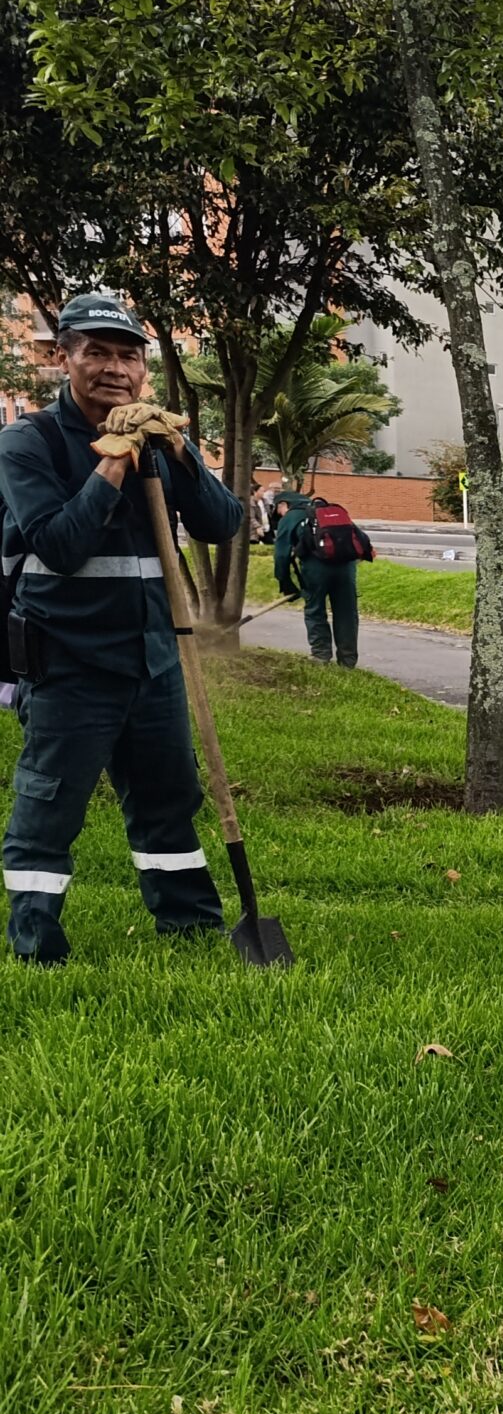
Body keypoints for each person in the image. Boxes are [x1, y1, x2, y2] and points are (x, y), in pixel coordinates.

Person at [0, 292, 243, 964]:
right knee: (49, 809)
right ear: (64, 359)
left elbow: (224, 526)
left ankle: (191, 932)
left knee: (169, 802)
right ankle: (36, 945)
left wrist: (180, 453)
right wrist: (113, 460)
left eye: (128, 355)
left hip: (155, 662)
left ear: (144, 367)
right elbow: (61, 544)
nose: (115, 368)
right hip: (70, 664)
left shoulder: (161, 441)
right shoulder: (30, 442)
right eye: (97, 352)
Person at [268, 487, 358, 666]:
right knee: (346, 613)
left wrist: (285, 583)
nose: (280, 515)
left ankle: (321, 656)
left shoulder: (291, 517)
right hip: (346, 567)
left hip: (316, 569)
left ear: (284, 504)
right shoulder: (330, 512)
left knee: (315, 610)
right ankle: (348, 661)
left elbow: (281, 556)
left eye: (279, 510)